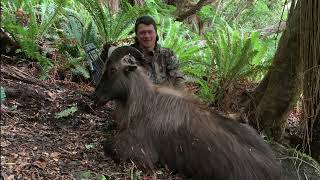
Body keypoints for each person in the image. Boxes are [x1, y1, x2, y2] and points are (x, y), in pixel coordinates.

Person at [131, 15, 185, 89]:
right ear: (136, 35)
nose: (147, 36)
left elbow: (178, 79)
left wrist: (176, 97)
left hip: (165, 98)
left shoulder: (168, 55)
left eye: (150, 32)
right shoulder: (128, 57)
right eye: (142, 32)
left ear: (156, 34)